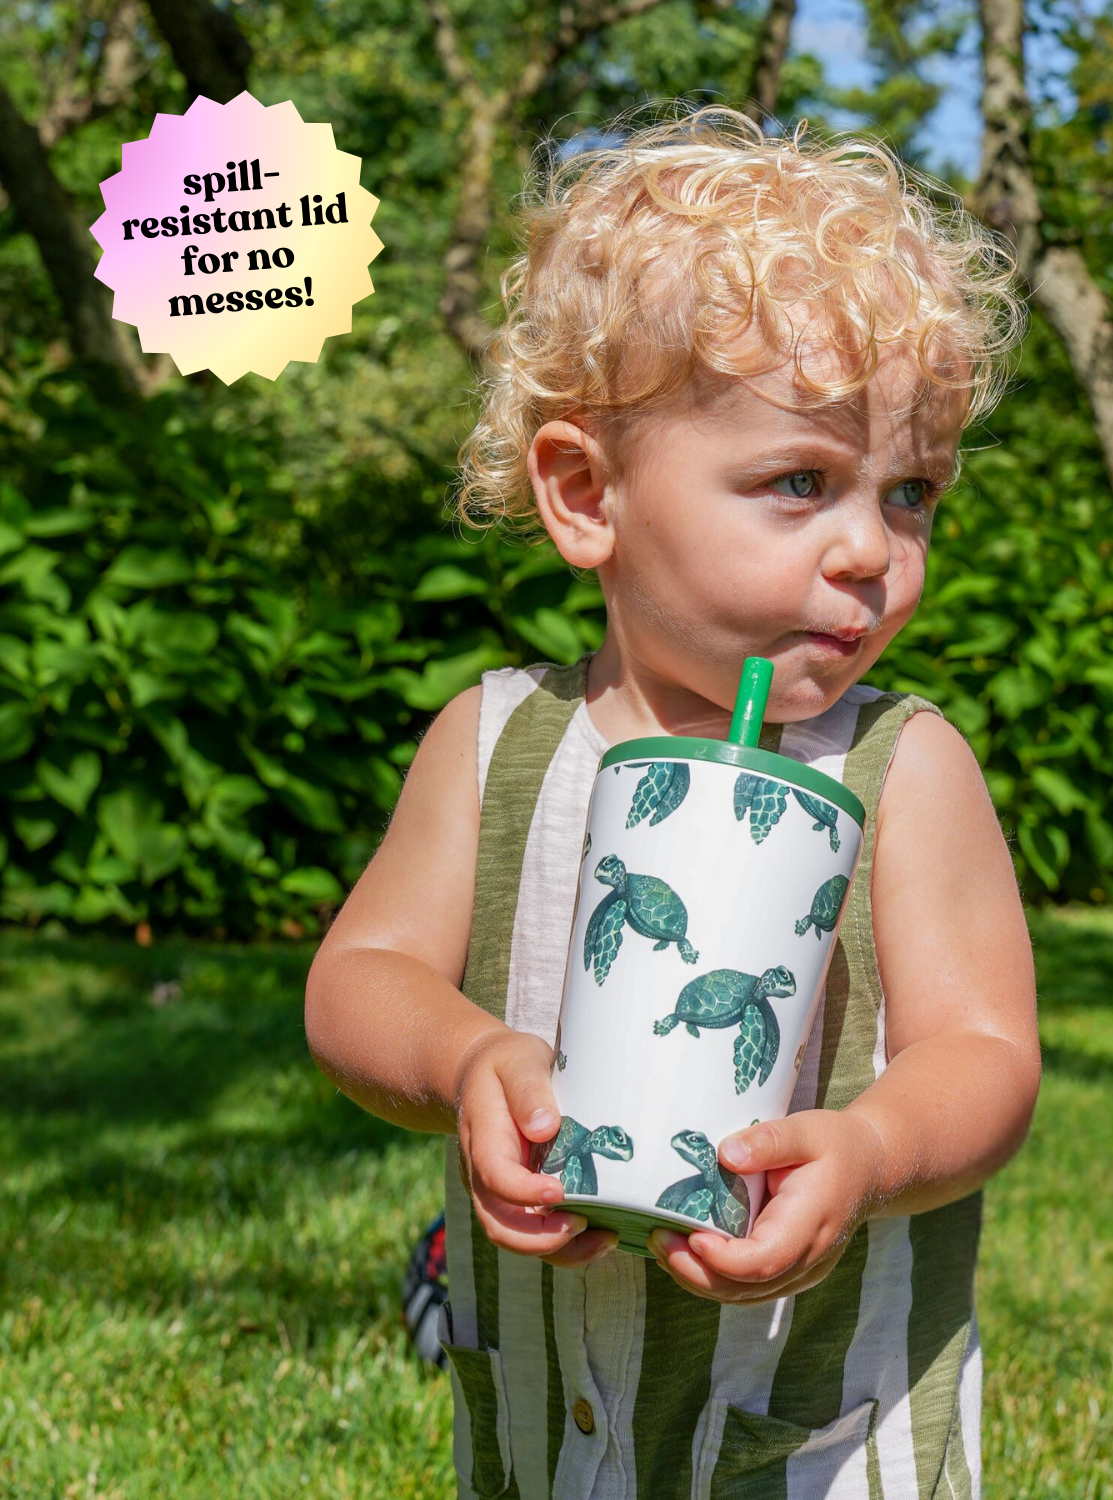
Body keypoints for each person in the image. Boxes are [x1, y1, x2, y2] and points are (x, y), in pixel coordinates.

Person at [305, 101, 1040, 1500]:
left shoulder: (904, 770)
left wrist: (874, 1151)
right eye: (801, 482)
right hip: (545, 1423)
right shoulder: (495, 744)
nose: (870, 551)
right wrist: (466, 1061)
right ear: (588, 496)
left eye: (911, 496)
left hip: (819, 1437)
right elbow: (359, 980)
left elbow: (990, 1052)